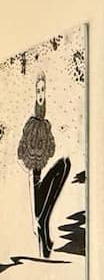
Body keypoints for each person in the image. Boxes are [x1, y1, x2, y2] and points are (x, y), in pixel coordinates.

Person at [17, 71, 71, 259]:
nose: (41, 94)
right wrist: (33, 217)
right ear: (34, 93)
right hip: (35, 184)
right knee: (40, 221)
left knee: (65, 164)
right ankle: (42, 226)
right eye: (38, 90)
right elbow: (25, 165)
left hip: (41, 184)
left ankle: (43, 223)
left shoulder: (45, 124)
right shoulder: (31, 125)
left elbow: (51, 151)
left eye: (43, 90)